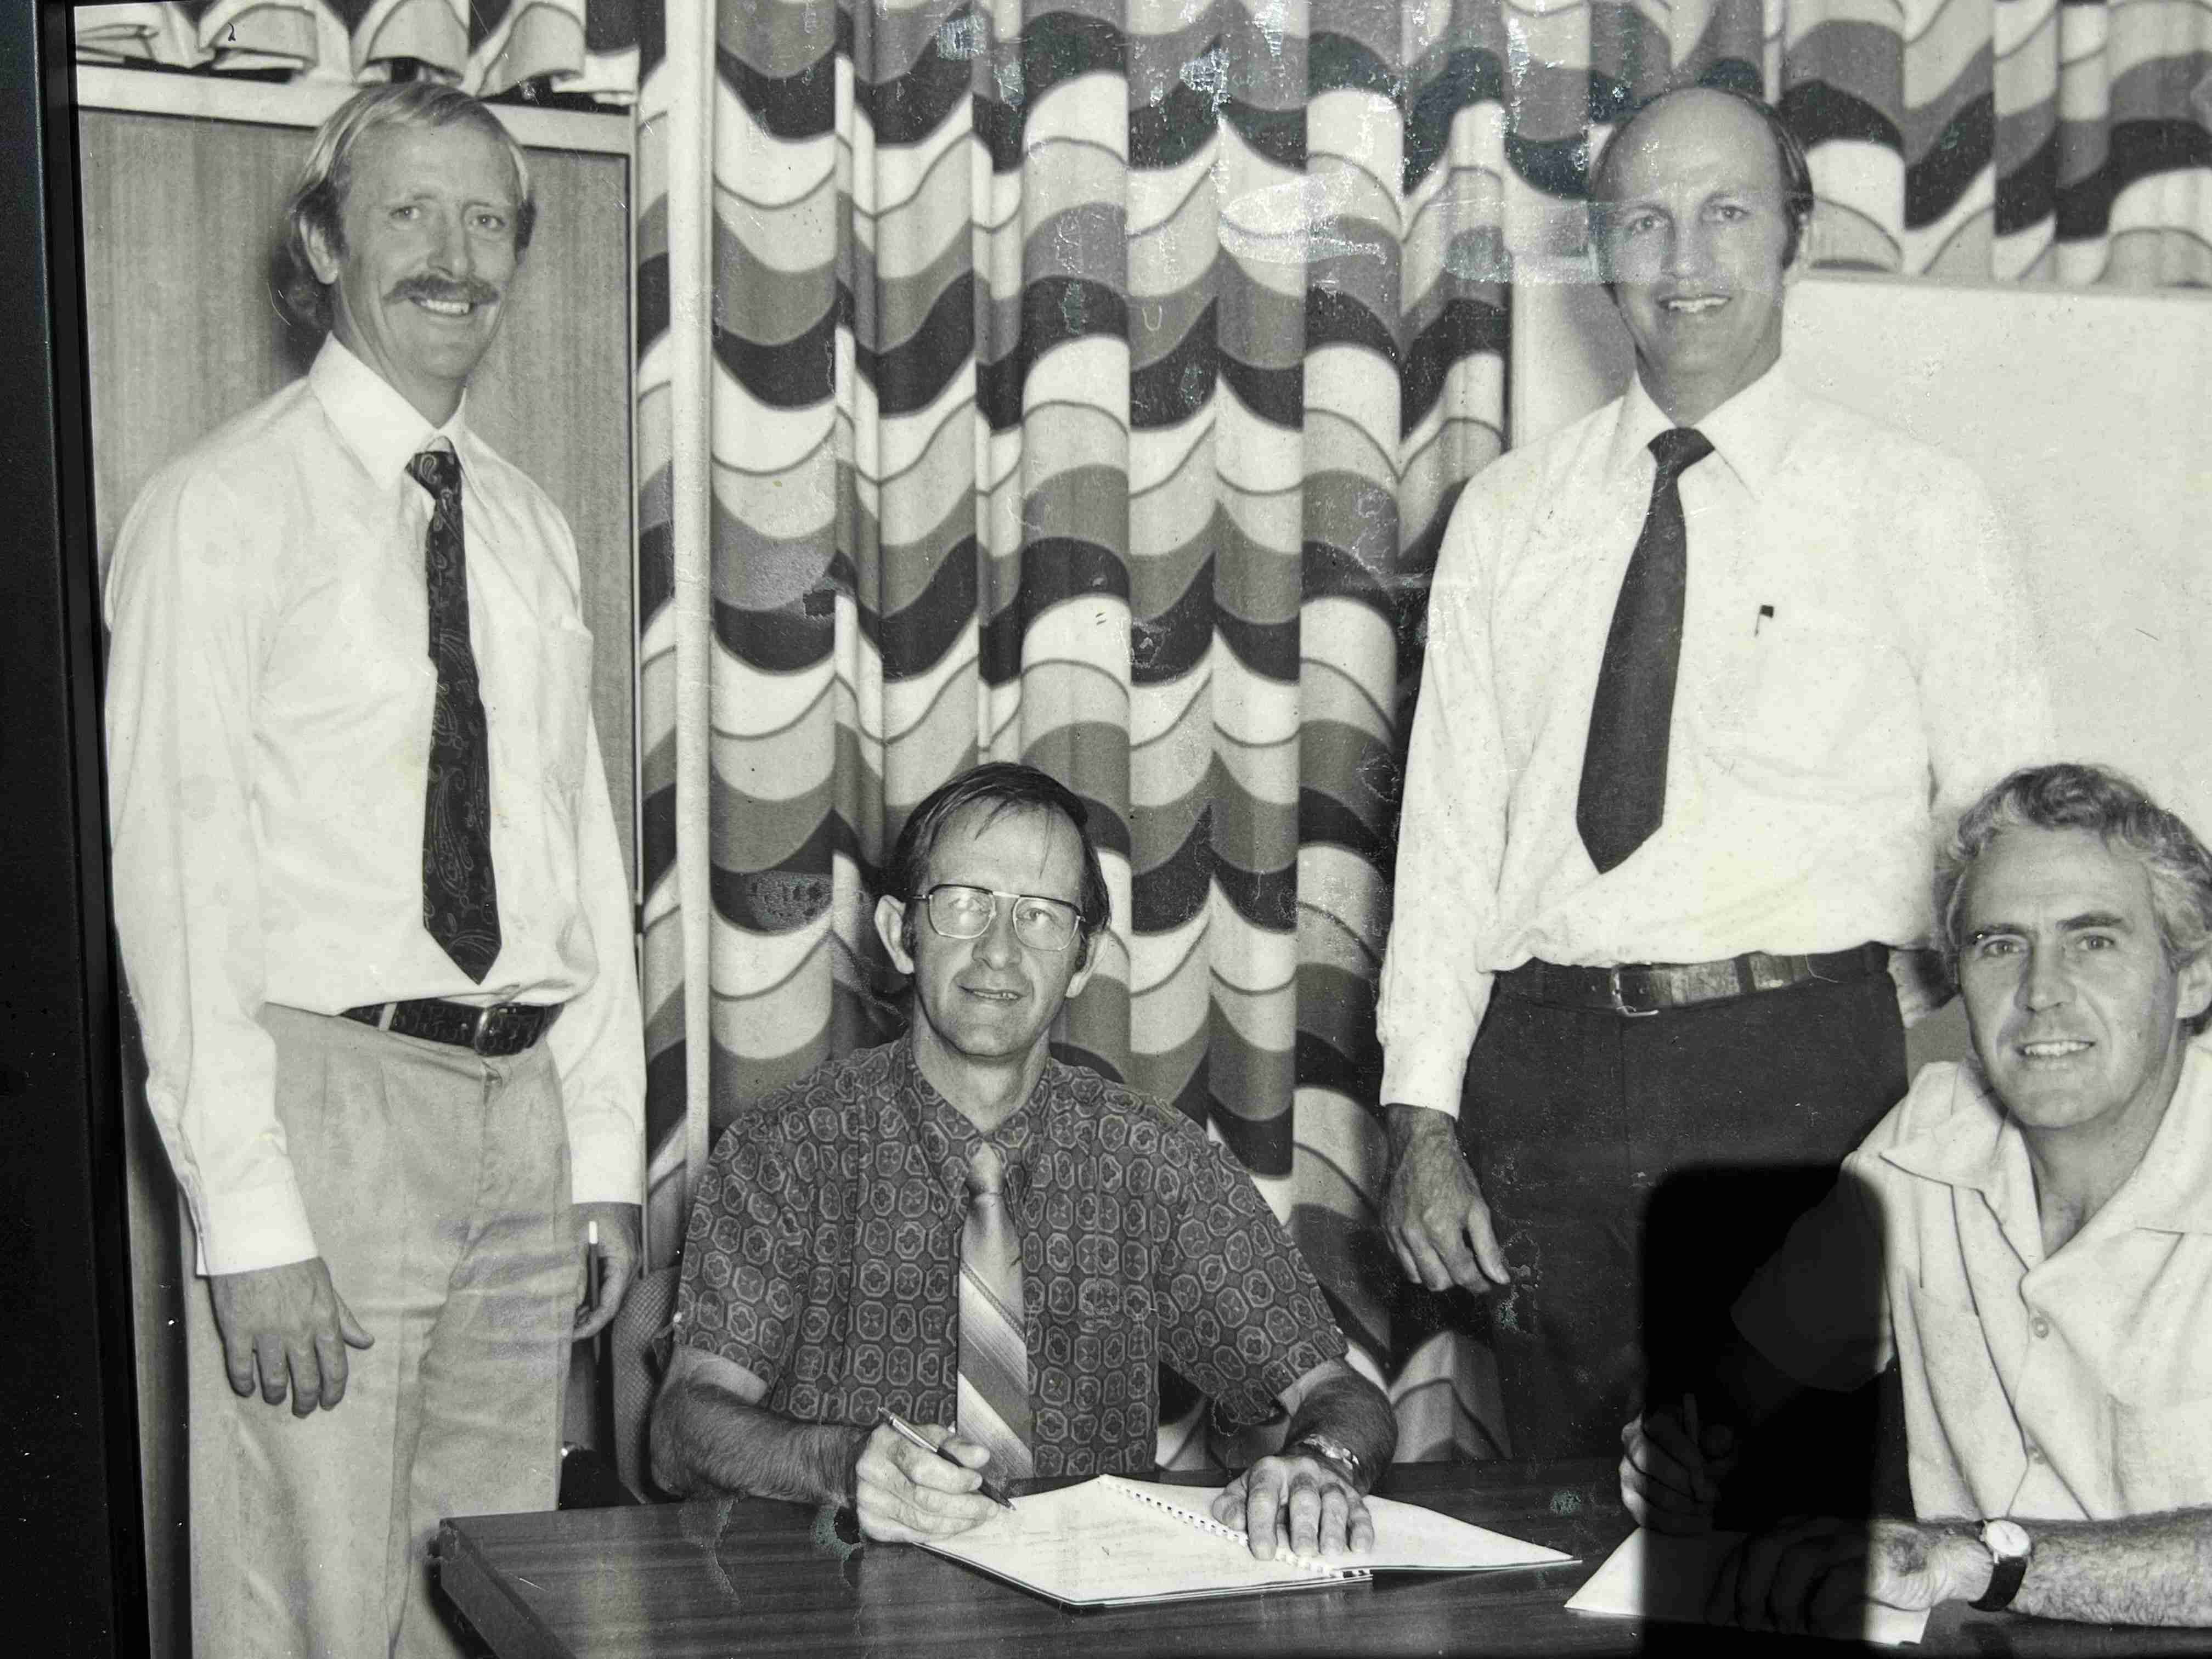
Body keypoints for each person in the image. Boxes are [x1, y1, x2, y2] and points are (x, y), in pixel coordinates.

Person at [1374, 84, 2052, 1460]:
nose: (1686, 262)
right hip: (1539, 1087)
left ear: (1795, 237)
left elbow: (2014, 850)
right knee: (1560, 1539)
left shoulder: (1919, 506)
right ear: (1603, 253)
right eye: (1647, 220)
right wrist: (1422, 1122)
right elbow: (1446, 844)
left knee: (1766, 1539)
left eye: (1728, 214)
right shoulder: (1511, 516)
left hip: (1799, 1079)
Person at [103, 84, 642, 1659]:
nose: (454, 257)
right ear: (327, 242)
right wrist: (247, 1219)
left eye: (488, 222)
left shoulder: (531, 530)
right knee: (310, 1612)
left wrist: (599, 1153)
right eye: (409, 212)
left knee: (490, 1600)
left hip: (521, 1121)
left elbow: (572, 853)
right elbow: (179, 880)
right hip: (327, 1117)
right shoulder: (216, 507)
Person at [651, 763, 1397, 1560]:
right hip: (843, 1595)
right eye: (965, 905)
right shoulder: (785, 1150)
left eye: (1040, 916)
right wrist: (840, 1459)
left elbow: (1340, 1394)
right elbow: (680, 1427)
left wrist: (1322, 1463)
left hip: (1090, 1610)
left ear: (1082, 958)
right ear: (900, 933)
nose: (999, 952)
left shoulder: (1153, 1159)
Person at [1621, 762, 2212, 1632]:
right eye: (2000, 944)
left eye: (2094, 940)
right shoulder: (1929, 1132)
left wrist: (1976, 1557)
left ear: (2194, 978)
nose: (2041, 991)